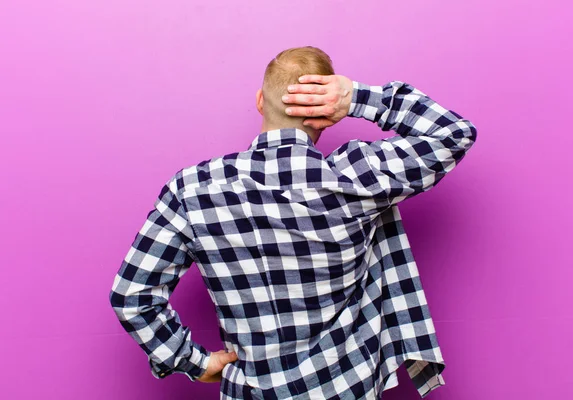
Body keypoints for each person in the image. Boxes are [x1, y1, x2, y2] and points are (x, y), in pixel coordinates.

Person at [109, 46, 477, 399]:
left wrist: (193, 362)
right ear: (326, 113)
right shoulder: (355, 176)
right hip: (344, 387)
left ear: (259, 101)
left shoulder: (191, 189)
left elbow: (131, 296)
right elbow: (454, 133)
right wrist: (357, 98)